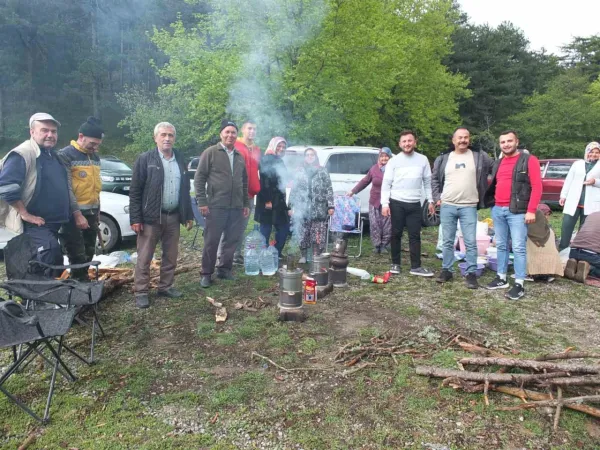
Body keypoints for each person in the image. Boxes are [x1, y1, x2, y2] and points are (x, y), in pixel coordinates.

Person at [0, 113, 78, 277]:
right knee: (49, 253)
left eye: (53, 131)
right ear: (32, 132)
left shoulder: (53, 155)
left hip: (53, 222)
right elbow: (7, 186)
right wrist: (25, 213)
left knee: (53, 259)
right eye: (44, 130)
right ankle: (41, 298)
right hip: (35, 222)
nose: (50, 135)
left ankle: (54, 296)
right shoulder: (23, 154)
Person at [129, 122, 194, 308]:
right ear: (155, 137)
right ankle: (141, 291)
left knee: (171, 255)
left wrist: (187, 214)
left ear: (174, 138)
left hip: (173, 216)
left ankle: (165, 286)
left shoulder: (180, 159)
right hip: (150, 218)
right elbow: (135, 191)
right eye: (163, 134)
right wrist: (135, 218)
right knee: (144, 256)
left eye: (171, 135)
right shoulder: (145, 159)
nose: (167, 138)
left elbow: (185, 190)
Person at [484, 130, 542, 300]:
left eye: (509, 141)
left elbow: (537, 186)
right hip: (498, 209)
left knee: (518, 247)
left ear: (517, 142)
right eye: (503, 142)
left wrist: (531, 210)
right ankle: (501, 277)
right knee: (501, 245)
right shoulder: (498, 162)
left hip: (518, 212)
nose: (506, 144)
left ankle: (519, 283)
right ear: (500, 144)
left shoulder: (528, 160)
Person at [432, 127, 493, 289]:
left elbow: (496, 169)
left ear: (469, 139)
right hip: (448, 205)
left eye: (466, 137)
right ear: (453, 140)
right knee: (447, 241)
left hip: (469, 205)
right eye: (459, 138)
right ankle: (447, 270)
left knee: (470, 242)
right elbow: (435, 180)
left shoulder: (479, 156)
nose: (463, 140)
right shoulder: (444, 158)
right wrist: (437, 198)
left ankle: (471, 273)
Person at [195, 120, 249, 288]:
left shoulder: (239, 157)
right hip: (215, 205)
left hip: (236, 206)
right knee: (212, 241)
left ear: (236, 135)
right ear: (221, 134)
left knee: (232, 240)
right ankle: (206, 273)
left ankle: (224, 269)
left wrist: (245, 203)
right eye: (227, 132)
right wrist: (202, 201)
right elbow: (199, 178)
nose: (230, 135)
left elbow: (244, 182)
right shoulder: (211, 152)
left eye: (233, 132)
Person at [381, 130, 435, 276]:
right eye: (404, 141)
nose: (407, 144)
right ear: (399, 144)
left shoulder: (423, 160)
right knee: (396, 233)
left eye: (409, 141)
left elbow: (427, 182)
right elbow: (386, 184)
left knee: (415, 235)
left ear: (415, 142)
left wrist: (430, 200)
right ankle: (395, 264)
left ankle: (416, 267)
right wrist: (385, 204)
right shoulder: (393, 161)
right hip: (396, 202)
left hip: (414, 204)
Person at [57, 117, 104, 281]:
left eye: (98, 144)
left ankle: (82, 281)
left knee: (89, 251)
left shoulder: (95, 157)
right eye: (92, 143)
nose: (95, 147)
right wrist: (77, 215)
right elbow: (66, 188)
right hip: (73, 215)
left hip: (91, 213)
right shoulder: (65, 155)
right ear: (81, 136)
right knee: (77, 253)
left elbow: (96, 188)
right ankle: (79, 284)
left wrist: (98, 211)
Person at [225, 120, 261, 265]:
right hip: (236, 194)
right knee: (230, 225)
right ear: (243, 131)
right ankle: (224, 257)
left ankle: (236, 254)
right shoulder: (236, 146)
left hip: (250, 195)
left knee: (241, 227)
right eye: (249, 129)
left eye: (254, 129)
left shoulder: (257, 149)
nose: (252, 131)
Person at [289, 148, 334, 263]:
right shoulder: (299, 171)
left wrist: (330, 206)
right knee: (303, 233)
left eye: (312, 155)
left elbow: (329, 188)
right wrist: (290, 206)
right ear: (304, 157)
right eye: (307, 155)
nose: (309, 157)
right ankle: (303, 255)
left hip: (319, 207)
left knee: (318, 233)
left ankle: (316, 256)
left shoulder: (322, 170)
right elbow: (294, 190)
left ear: (316, 157)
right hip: (302, 207)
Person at [347, 147, 393, 254]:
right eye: (382, 156)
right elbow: (365, 181)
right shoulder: (374, 169)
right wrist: (353, 191)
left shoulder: (393, 169)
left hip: (388, 202)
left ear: (390, 157)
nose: (384, 158)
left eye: (386, 156)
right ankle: (377, 245)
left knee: (387, 225)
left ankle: (384, 245)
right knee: (375, 224)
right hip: (374, 201)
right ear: (379, 157)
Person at [558, 142, 600, 250]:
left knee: (585, 231)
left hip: (591, 203)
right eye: (591, 152)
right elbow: (569, 180)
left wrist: (595, 181)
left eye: (597, 152)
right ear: (587, 152)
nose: (594, 154)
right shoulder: (578, 164)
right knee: (566, 227)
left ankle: (579, 253)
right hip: (573, 201)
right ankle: (563, 250)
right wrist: (563, 195)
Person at [255, 137, 290, 257]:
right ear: (273, 146)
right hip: (268, 200)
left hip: (278, 200)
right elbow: (264, 181)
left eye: (283, 147)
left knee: (283, 227)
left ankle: (274, 252)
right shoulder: (267, 159)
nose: (281, 149)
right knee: (266, 228)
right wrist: (267, 200)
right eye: (279, 146)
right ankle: (265, 254)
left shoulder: (278, 160)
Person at [525, 204, 563, 282]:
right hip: (550, 268)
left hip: (533, 268)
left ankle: (532, 273)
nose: (546, 217)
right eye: (544, 214)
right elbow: (556, 245)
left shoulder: (527, 227)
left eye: (548, 215)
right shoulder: (549, 228)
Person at [565, 211, 600, 283]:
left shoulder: (592, 214)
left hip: (573, 251)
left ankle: (575, 265)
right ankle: (589, 268)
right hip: (592, 255)